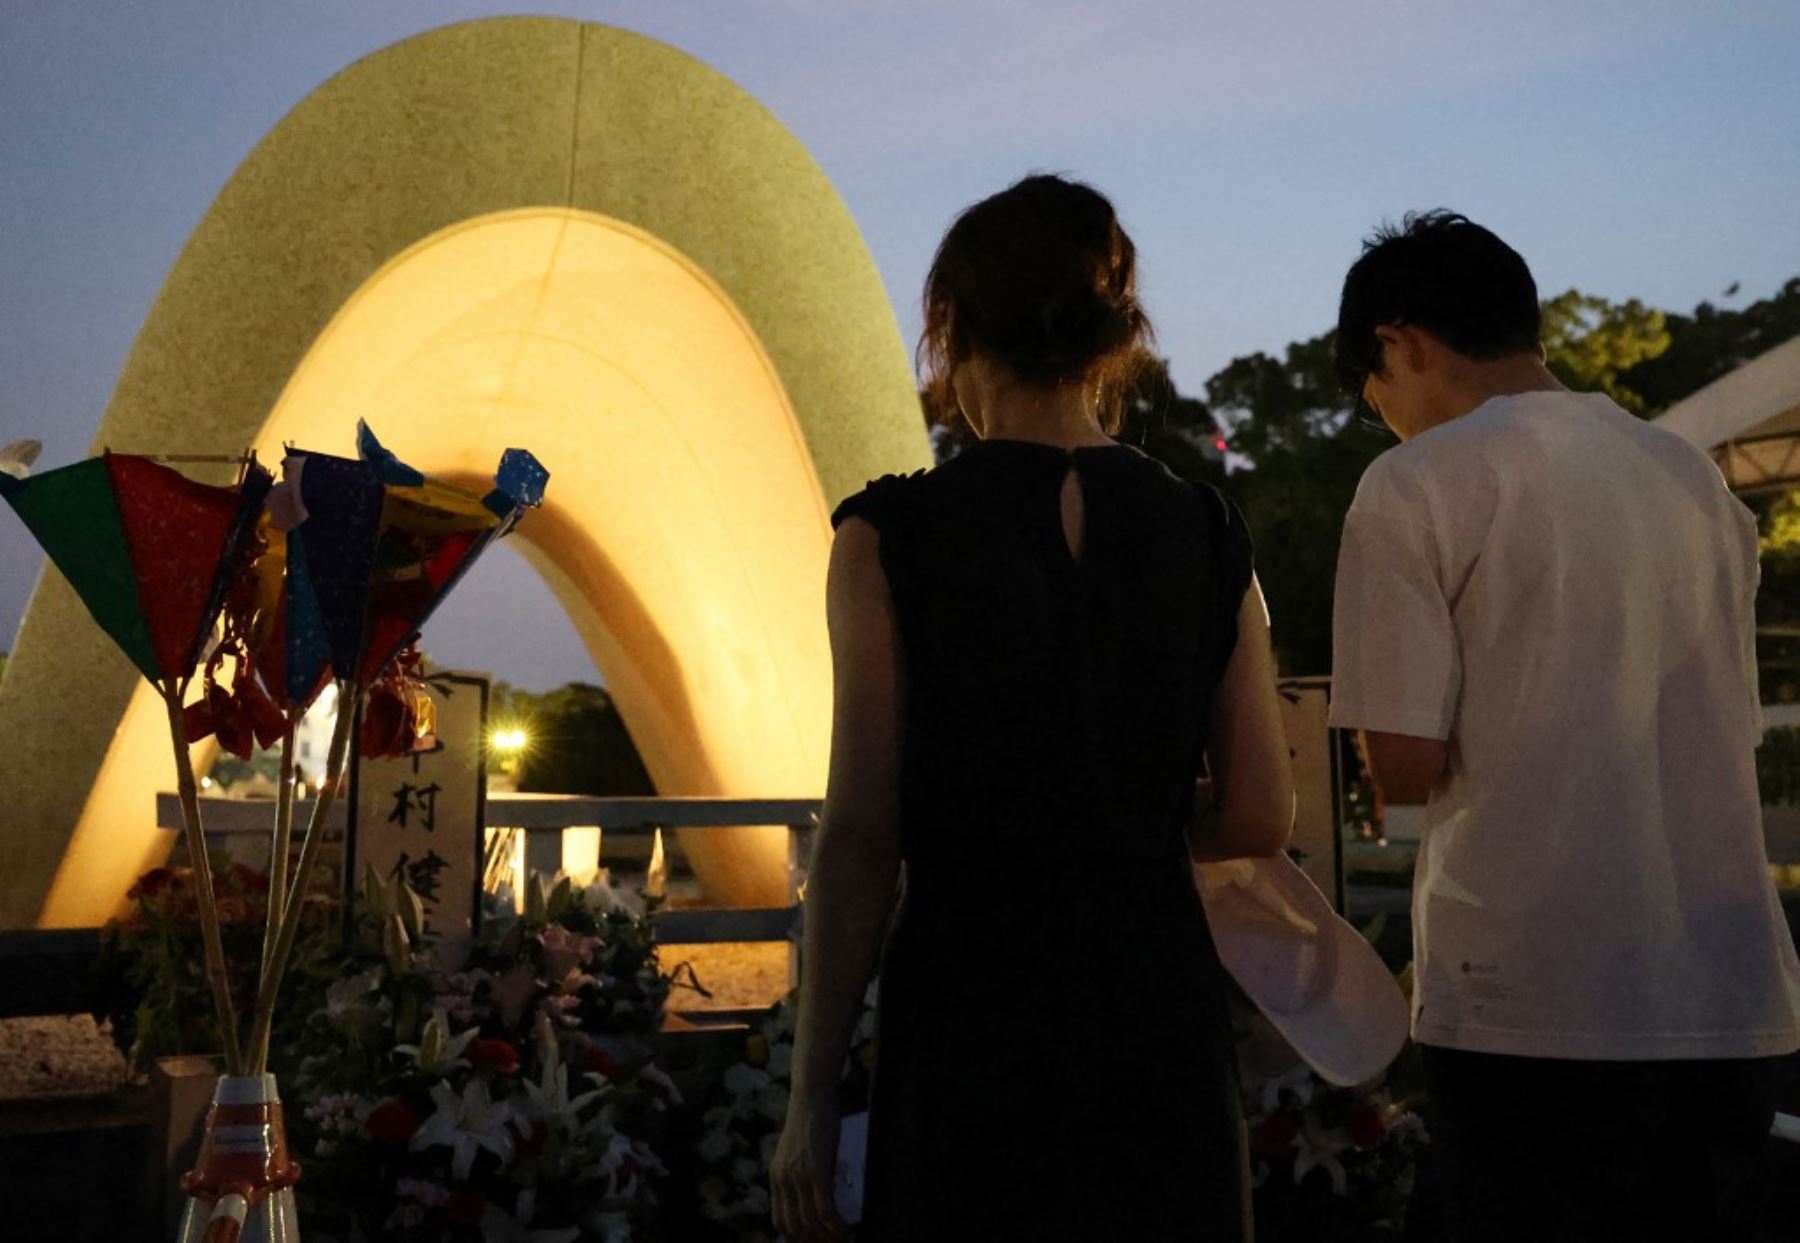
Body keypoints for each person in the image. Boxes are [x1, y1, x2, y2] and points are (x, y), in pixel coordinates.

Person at [769, 174, 1294, 1242]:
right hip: (1156, 1017)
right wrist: (1130, 819)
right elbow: (1257, 816)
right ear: (1114, 335)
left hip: (970, 1013)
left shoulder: (890, 537)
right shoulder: (1205, 531)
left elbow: (863, 836)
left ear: (949, 326)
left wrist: (811, 1095)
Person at [1328, 210, 1800, 1241]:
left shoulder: (1415, 483)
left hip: (1534, 1000)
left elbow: (1404, 764)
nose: (1389, 420)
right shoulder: (1694, 483)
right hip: (1729, 994)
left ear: (1399, 343)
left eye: (1377, 395)